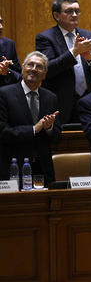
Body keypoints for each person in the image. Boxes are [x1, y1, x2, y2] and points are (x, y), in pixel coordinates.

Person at [35, 0, 91, 123]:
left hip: (88, 99)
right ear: (56, 16)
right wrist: (74, 52)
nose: (74, 15)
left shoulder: (90, 35)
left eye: (77, 11)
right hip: (59, 102)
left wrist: (90, 57)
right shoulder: (45, 38)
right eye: (69, 11)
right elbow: (47, 69)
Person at [0, 51, 60, 183]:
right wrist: (33, 129)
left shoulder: (51, 98)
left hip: (43, 168)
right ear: (22, 69)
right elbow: (3, 132)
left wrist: (49, 127)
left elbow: (57, 136)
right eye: (30, 65)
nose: (33, 69)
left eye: (39, 67)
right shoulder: (4, 94)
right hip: (13, 168)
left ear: (44, 74)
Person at [0, 14, 21, 86]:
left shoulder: (9, 44)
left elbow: (19, 76)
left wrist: (7, 72)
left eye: (1, 22)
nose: (1, 27)